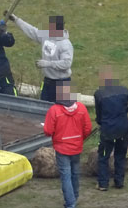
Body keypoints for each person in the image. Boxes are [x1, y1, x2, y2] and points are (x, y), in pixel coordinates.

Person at [43, 80, 92, 208]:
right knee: (75, 173)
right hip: (77, 146)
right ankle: (74, 197)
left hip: (61, 147)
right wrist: (80, 139)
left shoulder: (54, 110)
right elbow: (88, 128)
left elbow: (48, 131)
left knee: (66, 175)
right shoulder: (81, 107)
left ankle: (70, 203)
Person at [6, 12, 73, 102]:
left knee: (63, 111)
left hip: (63, 83)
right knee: (44, 108)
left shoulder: (65, 44)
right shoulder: (47, 35)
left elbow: (66, 63)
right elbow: (32, 31)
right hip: (48, 81)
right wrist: (16, 20)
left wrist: (48, 64)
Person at [94, 65, 128, 191]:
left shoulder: (99, 94)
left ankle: (103, 183)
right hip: (123, 129)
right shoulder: (125, 90)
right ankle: (119, 181)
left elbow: (99, 114)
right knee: (120, 155)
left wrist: (100, 122)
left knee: (103, 156)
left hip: (108, 131)